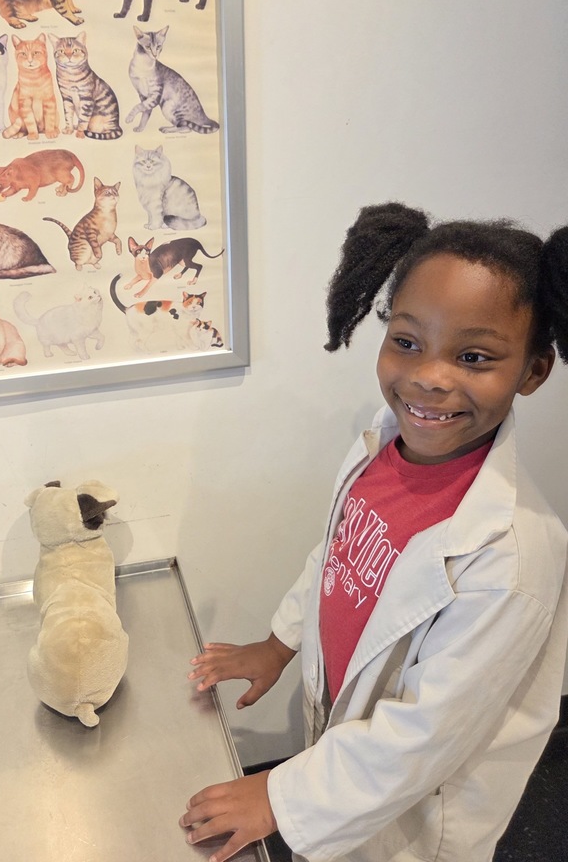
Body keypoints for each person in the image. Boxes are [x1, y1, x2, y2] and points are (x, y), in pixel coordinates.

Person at [179, 202, 568, 862]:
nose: (428, 377)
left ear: (533, 371)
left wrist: (279, 795)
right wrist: (279, 643)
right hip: (345, 744)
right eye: (407, 342)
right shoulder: (380, 449)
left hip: (417, 811)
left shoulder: (511, 554)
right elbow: (337, 556)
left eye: (474, 356)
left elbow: (425, 735)